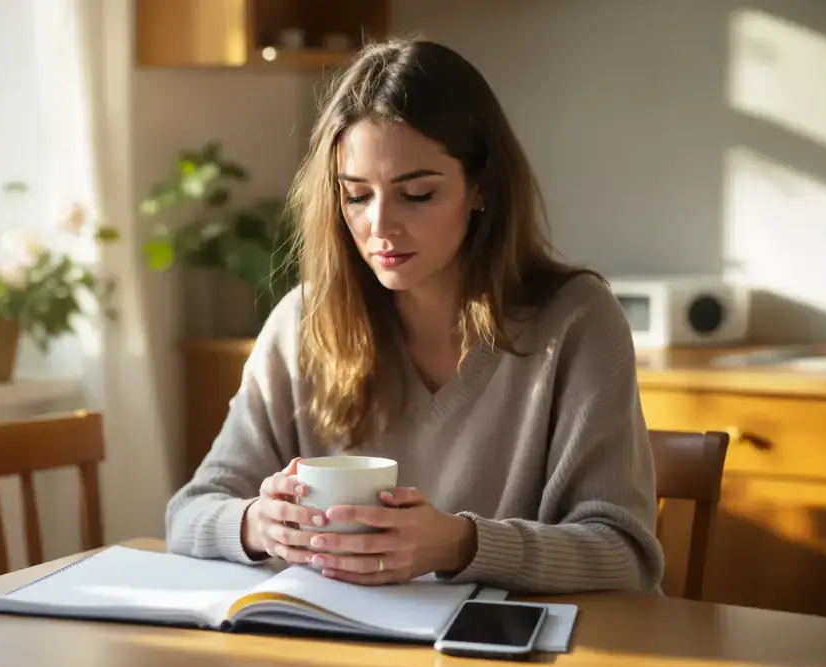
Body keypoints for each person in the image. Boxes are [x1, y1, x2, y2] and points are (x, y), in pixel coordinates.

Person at [164, 38, 664, 594]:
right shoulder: (304, 322)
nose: (380, 226)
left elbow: (626, 555)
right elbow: (189, 512)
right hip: (350, 635)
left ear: (481, 187)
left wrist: (459, 544)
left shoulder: (576, 321)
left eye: (418, 194)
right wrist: (259, 525)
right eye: (357, 196)